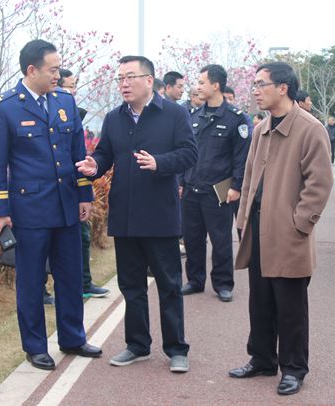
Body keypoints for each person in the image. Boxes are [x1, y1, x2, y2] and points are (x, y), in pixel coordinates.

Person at [0, 39, 102, 371]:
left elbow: (78, 154)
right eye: (52, 69)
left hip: (66, 206)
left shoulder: (64, 101)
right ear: (32, 70)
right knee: (32, 280)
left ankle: (73, 337)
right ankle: (35, 346)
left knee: (69, 276)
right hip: (30, 210)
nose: (58, 74)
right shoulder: (4, 106)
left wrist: (85, 196)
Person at [76, 55, 197, 372]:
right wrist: (94, 167)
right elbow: (104, 154)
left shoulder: (174, 114)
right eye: (119, 78)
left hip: (160, 216)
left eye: (130, 77)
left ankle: (176, 349)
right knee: (131, 287)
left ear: (149, 80)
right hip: (126, 216)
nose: (124, 84)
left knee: (169, 285)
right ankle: (137, 345)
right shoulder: (115, 118)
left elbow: (189, 154)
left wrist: (161, 163)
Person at [230, 62, 333, 396]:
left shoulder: (309, 128)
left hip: (288, 234)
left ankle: (293, 368)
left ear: (283, 87)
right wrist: (243, 219)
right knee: (260, 301)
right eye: (255, 85)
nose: (256, 90)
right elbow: (248, 179)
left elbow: (319, 184)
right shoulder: (261, 128)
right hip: (259, 229)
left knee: (290, 307)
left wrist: (299, 224)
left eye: (262, 84)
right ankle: (261, 358)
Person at [181, 64, 251, 302]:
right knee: (192, 238)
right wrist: (181, 180)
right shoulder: (194, 116)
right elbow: (185, 151)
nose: (197, 87)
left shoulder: (236, 119)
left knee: (221, 240)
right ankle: (194, 280)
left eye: (201, 83)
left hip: (218, 190)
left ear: (215, 85)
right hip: (192, 187)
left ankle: (223, 283)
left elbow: (242, 157)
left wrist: (236, 186)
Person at [58, 68, 110, 299]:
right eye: (70, 85)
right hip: (50, 194)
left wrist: (85, 195)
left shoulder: (72, 113)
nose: (74, 90)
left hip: (72, 188)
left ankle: (84, 284)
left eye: (75, 85)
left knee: (82, 237)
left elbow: (79, 156)